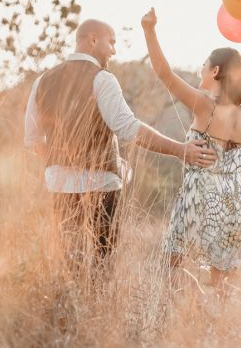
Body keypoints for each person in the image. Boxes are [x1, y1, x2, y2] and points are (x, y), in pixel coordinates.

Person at [24, 19, 216, 272]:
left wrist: (59, 167)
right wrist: (181, 151)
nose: (113, 51)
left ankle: (70, 310)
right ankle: (98, 310)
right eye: (111, 42)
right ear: (93, 40)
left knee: (68, 267)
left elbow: (32, 138)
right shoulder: (102, 78)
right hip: (101, 189)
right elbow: (128, 128)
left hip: (58, 187)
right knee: (103, 267)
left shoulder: (42, 81)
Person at [141, 7, 241, 290]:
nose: (200, 69)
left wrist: (149, 30)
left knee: (174, 265)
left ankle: (179, 324)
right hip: (235, 205)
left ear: (215, 71)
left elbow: (164, 73)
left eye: (204, 65)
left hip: (198, 200)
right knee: (222, 281)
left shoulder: (205, 105)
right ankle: (217, 329)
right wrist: (227, 190)